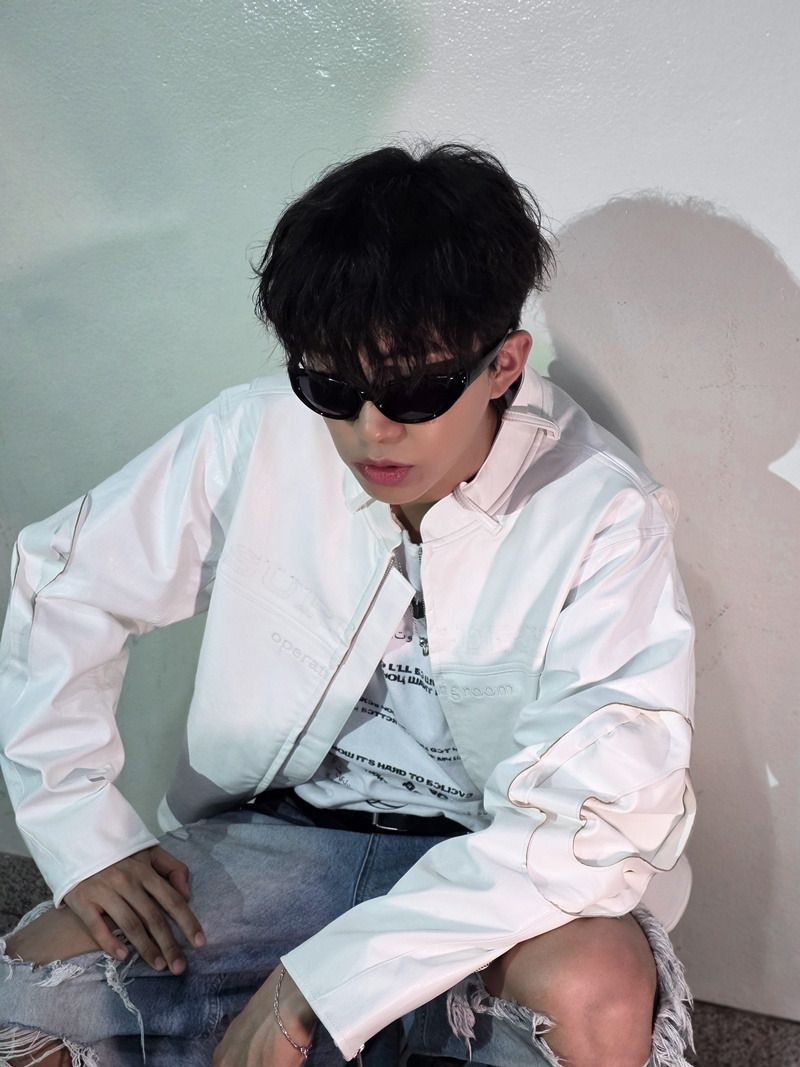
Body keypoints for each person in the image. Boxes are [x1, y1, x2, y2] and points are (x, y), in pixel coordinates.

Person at [0, 144, 695, 1067]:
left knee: (591, 998)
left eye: (416, 388)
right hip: (283, 843)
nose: (373, 430)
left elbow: (589, 825)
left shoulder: (602, 511)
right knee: (37, 991)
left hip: (496, 873)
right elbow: (66, 578)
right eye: (332, 386)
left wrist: (319, 983)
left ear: (503, 365)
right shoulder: (256, 432)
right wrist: (80, 830)